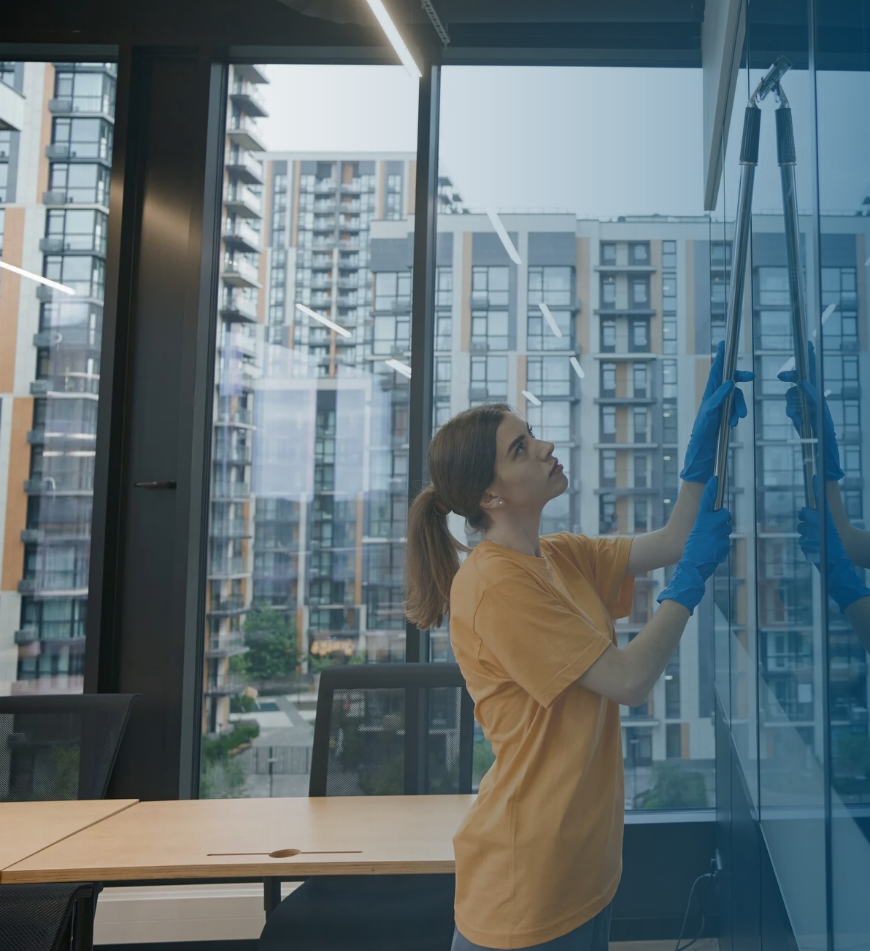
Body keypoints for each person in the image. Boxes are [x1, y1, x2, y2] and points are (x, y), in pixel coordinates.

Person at [405, 342, 753, 951]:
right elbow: (628, 681)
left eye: (532, 435)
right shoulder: (492, 586)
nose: (543, 447)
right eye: (521, 448)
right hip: (526, 887)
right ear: (491, 497)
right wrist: (689, 585)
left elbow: (676, 537)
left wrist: (703, 454)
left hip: (584, 870)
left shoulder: (558, 555)